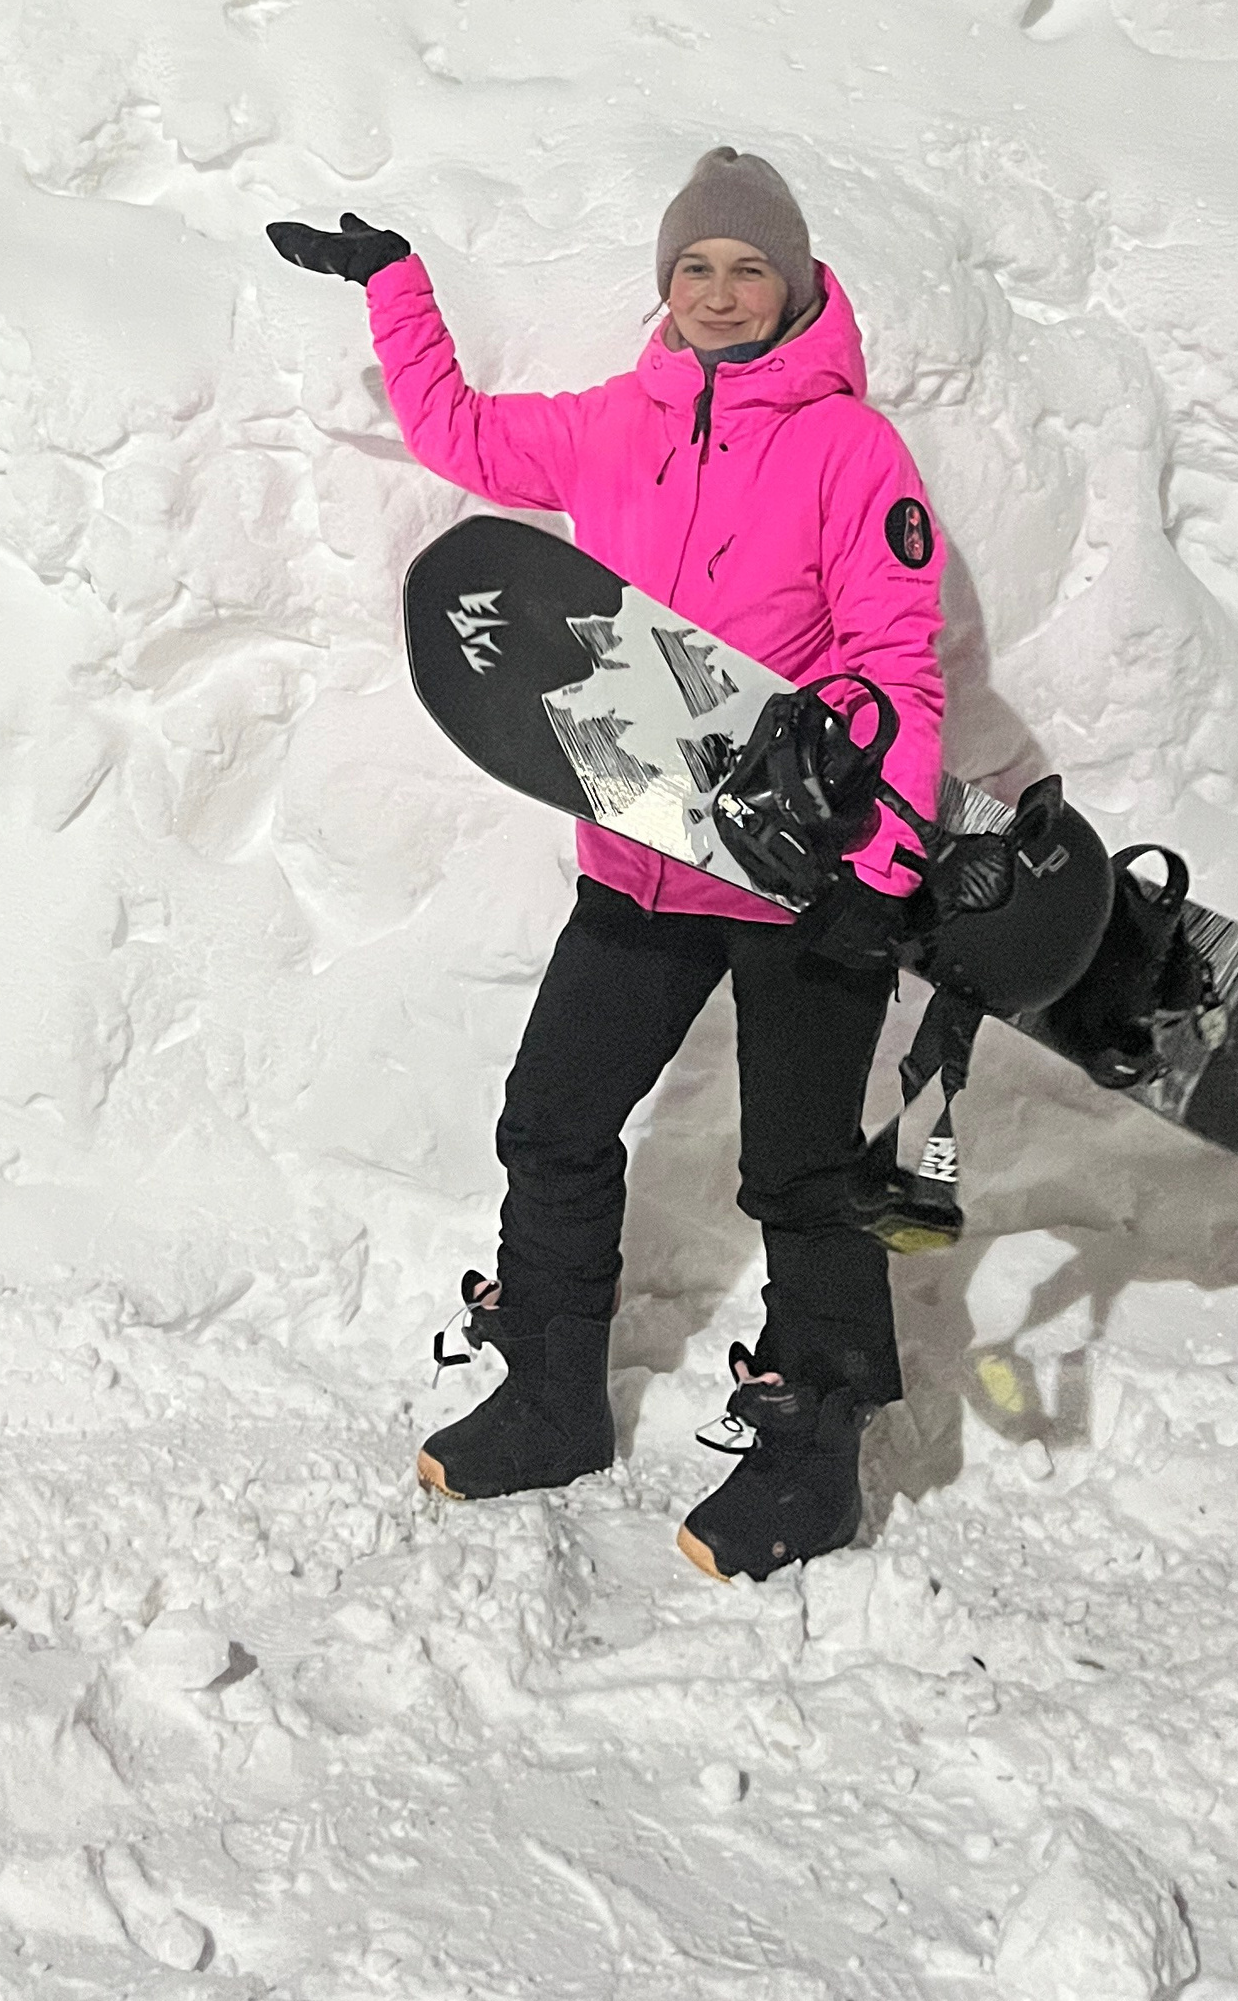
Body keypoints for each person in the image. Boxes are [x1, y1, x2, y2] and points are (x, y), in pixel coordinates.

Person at [268, 146, 945, 1581]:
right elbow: (457, 433)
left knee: (803, 1170)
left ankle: (816, 1453)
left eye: (746, 266)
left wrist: (880, 862)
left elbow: (901, 663)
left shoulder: (849, 450)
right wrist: (397, 287)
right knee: (553, 1118)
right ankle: (555, 1393)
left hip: (793, 870)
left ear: (796, 281)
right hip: (640, 856)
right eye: (694, 267)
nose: (717, 291)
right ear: (667, 285)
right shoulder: (608, 427)